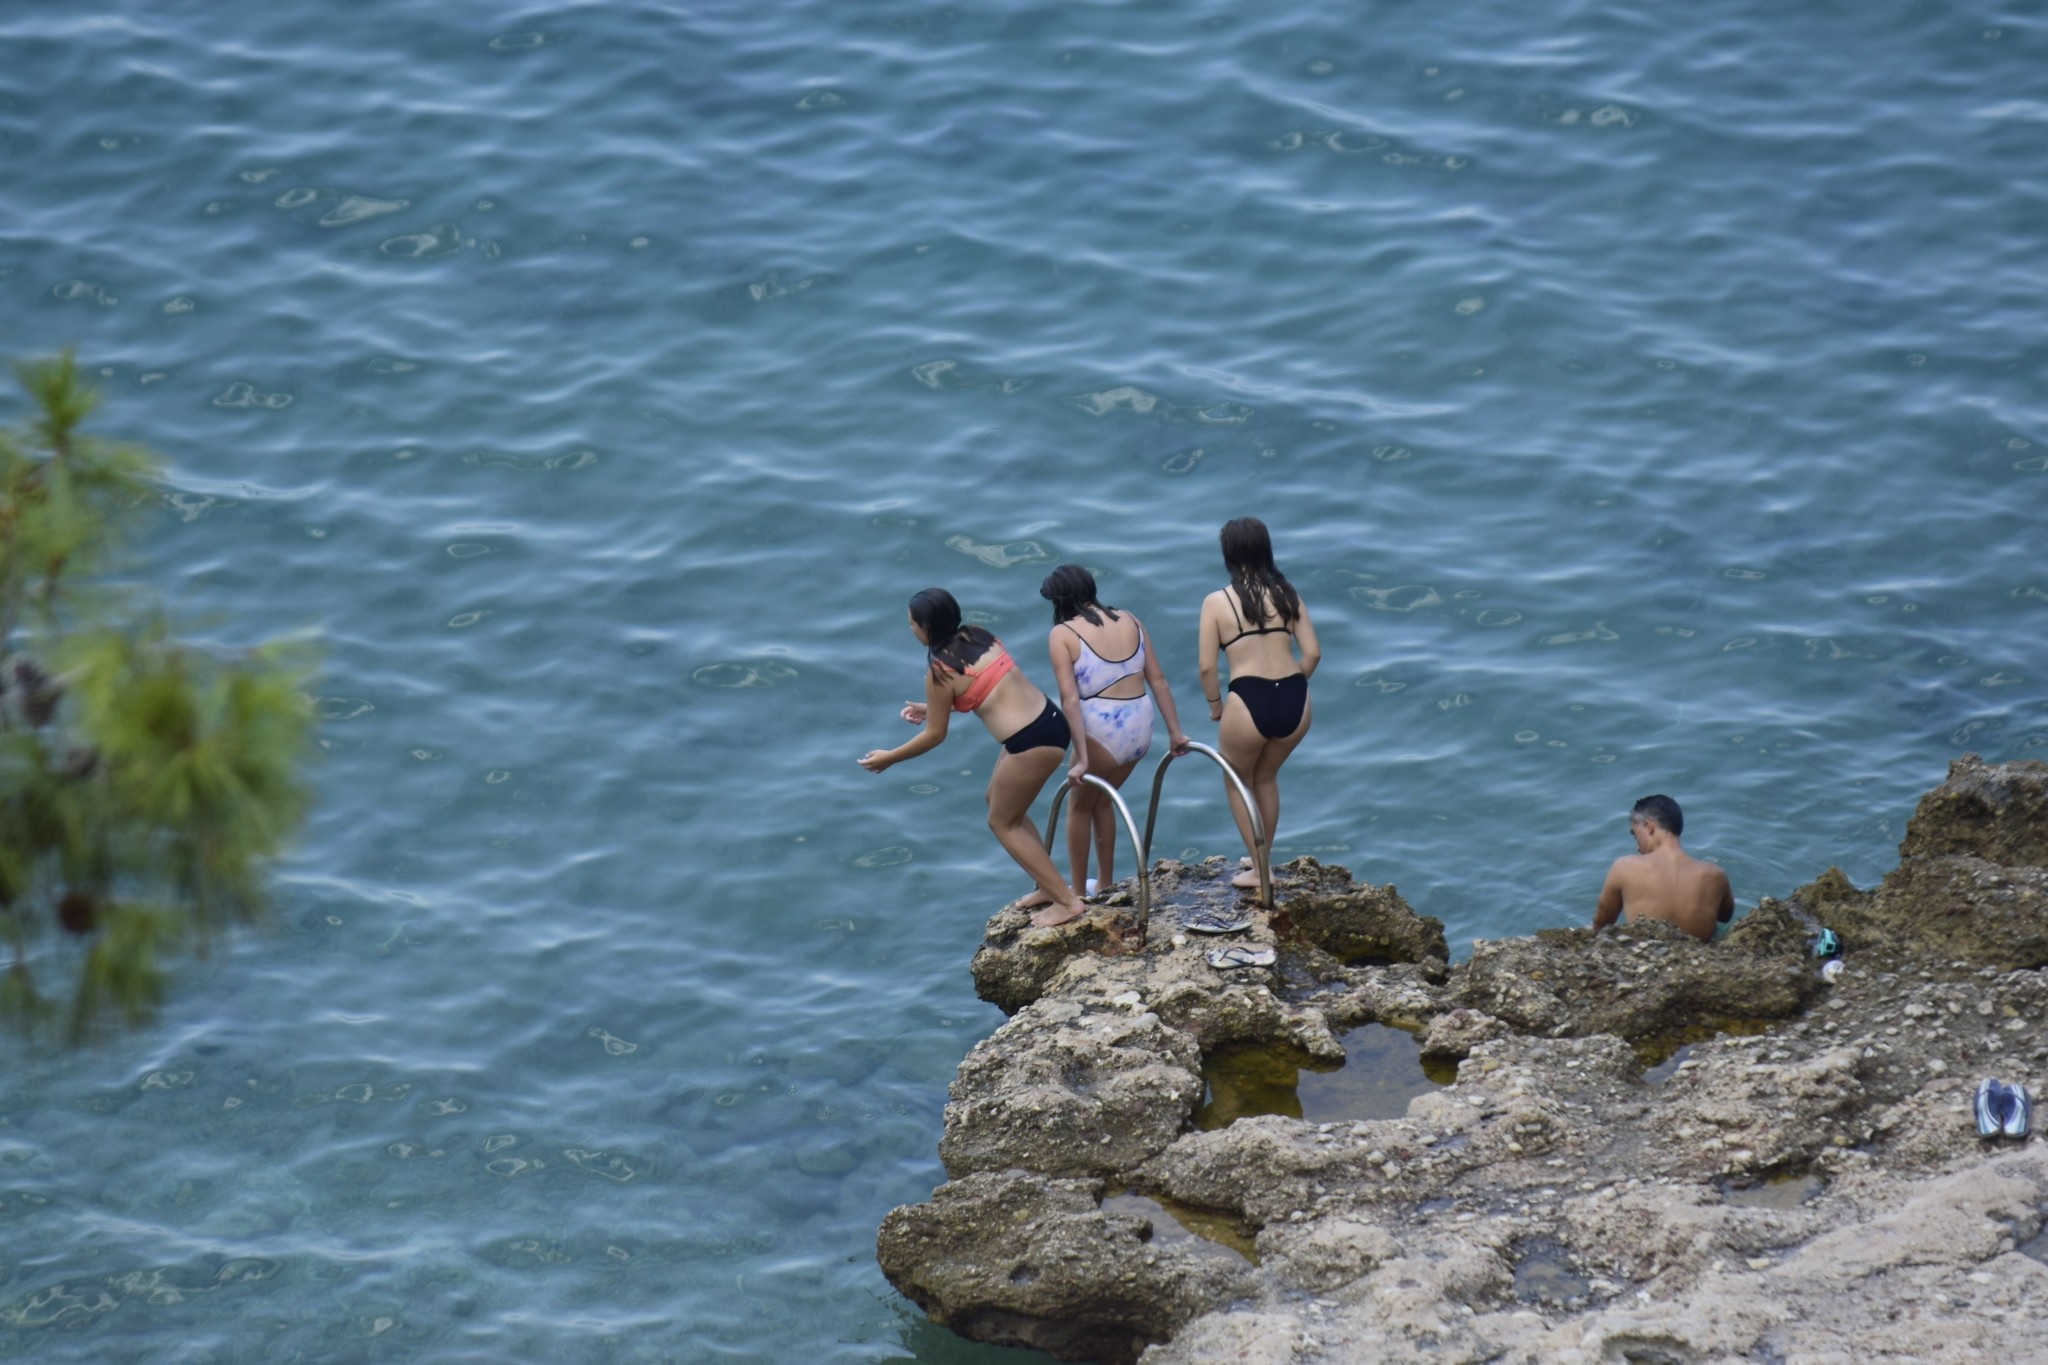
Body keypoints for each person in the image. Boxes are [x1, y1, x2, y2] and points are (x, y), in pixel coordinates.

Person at [859, 588, 1089, 928]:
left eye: (912, 624)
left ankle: (1067, 902)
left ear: (927, 626)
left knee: (1001, 822)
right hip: (1050, 720)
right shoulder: (979, 636)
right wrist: (932, 708)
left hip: (1030, 742)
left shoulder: (939, 671)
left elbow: (935, 736)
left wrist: (889, 758)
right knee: (997, 801)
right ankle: (1046, 885)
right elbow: (985, 687)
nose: (910, 630)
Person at [1038, 565, 1191, 902]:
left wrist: (1080, 758)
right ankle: (1105, 883)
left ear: (1061, 600)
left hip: (1102, 728)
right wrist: (1176, 732)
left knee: (1078, 807)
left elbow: (1070, 700)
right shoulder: (1131, 619)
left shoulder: (1062, 634)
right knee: (1102, 801)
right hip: (1140, 725)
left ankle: (1077, 892)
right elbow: (1159, 679)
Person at [1196, 518, 1320, 891]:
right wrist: (1292, 686)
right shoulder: (1287, 594)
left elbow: (1206, 667)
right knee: (1266, 777)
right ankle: (1262, 856)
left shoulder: (1217, 602)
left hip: (1248, 699)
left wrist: (1216, 706)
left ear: (1228, 554)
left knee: (1236, 781)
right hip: (1295, 698)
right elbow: (1313, 653)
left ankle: (1260, 870)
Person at [1592, 795, 1734, 942]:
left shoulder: (1624, 867)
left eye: (1636, 835)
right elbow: (1724, 917)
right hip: (1698, 958)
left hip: (1647, 959)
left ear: (1648, 826)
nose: (1637, 847)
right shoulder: (1715, 875)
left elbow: (1600, 924)